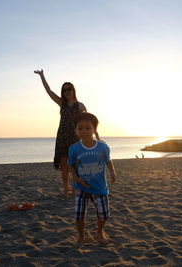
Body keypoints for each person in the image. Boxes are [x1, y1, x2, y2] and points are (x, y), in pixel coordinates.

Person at [34, 69, 89, 196]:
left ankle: (75, 187)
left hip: (75, 137)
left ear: (73, 90)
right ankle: (66, 187)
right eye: (64, 90)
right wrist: (42, 76)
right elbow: (49, 91)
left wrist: (94, 135)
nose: (67, 92)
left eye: (69, 89)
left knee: (74, 164)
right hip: (62, 136)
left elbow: (88, 121)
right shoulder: (62, 104)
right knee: (64, 164)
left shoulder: (80, 106)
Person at [68, 112, 116, 245]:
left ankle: (99, 232)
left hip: (99, 187)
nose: (84, 131)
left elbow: (108, 160)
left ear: (94, 129)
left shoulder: (103, 147)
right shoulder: (74, 148)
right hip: (81, 187)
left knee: (103, 214)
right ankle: (81, 236)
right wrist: (76, 178)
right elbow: (71, 165)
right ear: (76, 131)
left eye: (88, 128)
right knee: (79, 214)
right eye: (80, 128)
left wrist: (112, 172)